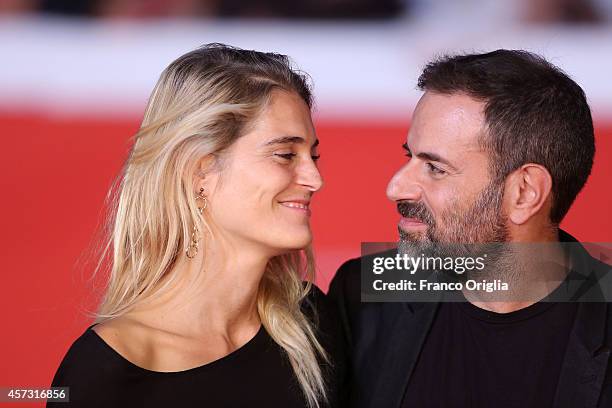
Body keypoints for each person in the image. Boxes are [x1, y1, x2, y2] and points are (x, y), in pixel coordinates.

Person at [49, 43, 344, 408]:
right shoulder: (106, 370)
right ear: (200, 170)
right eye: (285, 154)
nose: (315, 178)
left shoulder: (314, 322)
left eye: (313, 156)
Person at [329, 50, 612, 408]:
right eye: (409, 157)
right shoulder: (361, 297)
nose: (396, 188)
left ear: (524, 192)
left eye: (436, 168)